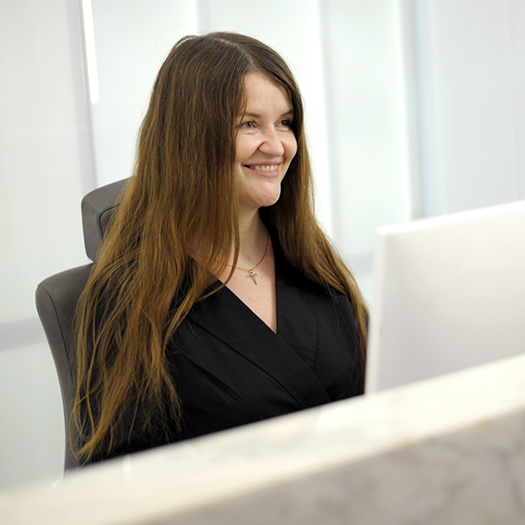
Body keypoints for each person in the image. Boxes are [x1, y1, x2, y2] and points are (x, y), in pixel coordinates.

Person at [72, 32, 369, 465]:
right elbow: (124, 479)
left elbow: (381, 390)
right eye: (249, 124)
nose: (278, 145)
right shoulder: (130, 297)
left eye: (285, 122)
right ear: (191, 139)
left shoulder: (310, 257)